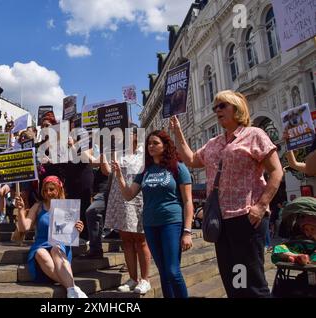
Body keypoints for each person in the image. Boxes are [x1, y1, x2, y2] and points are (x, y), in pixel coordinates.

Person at [169, 90, 283, 298]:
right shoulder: (214, 142)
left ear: (237, 108)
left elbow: (276, 171)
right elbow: (192, 159)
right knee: (234, 281)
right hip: (221, 222)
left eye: (222, 105)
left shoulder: (254, 134)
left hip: (247, 218)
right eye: (215, 107)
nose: (217, 110)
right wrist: (177, 132)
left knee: (253, 282)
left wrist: (261, 205)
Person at [112, 130, 194, 298]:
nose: (151, 146)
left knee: (173, 271)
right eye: (149, 143)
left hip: (172, 223)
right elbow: (129, 195)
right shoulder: (145, 171)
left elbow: (187, 201)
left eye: (155, 143)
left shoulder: (178, 167)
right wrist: (120, 176)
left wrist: (187, 231)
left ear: (165, 145)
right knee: (163, 272)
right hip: (150, 225)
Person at [15, 176, 87, 298]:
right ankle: (72, 287)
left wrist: (78, 228)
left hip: (60, 247)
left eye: (51, 189)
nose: (48, 193)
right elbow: (24, 228)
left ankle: (70, 288)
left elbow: (71, 232)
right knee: (40, 252)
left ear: (59, 189)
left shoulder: (67, 206)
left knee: (56, 249)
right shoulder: (38, 206)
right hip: (41, 246)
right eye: (45, 190)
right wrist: (21, 211)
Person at [101, 126, 153, 294]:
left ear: (137, 135)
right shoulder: (117, 151)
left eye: (129, 132)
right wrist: (103, 150)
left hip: (138, 198)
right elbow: (106, 171)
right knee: (126, 240)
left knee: (140, 240)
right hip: (119, 199)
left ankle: (145, 279)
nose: (125, 135)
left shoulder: (144, 153)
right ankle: (133, 278)